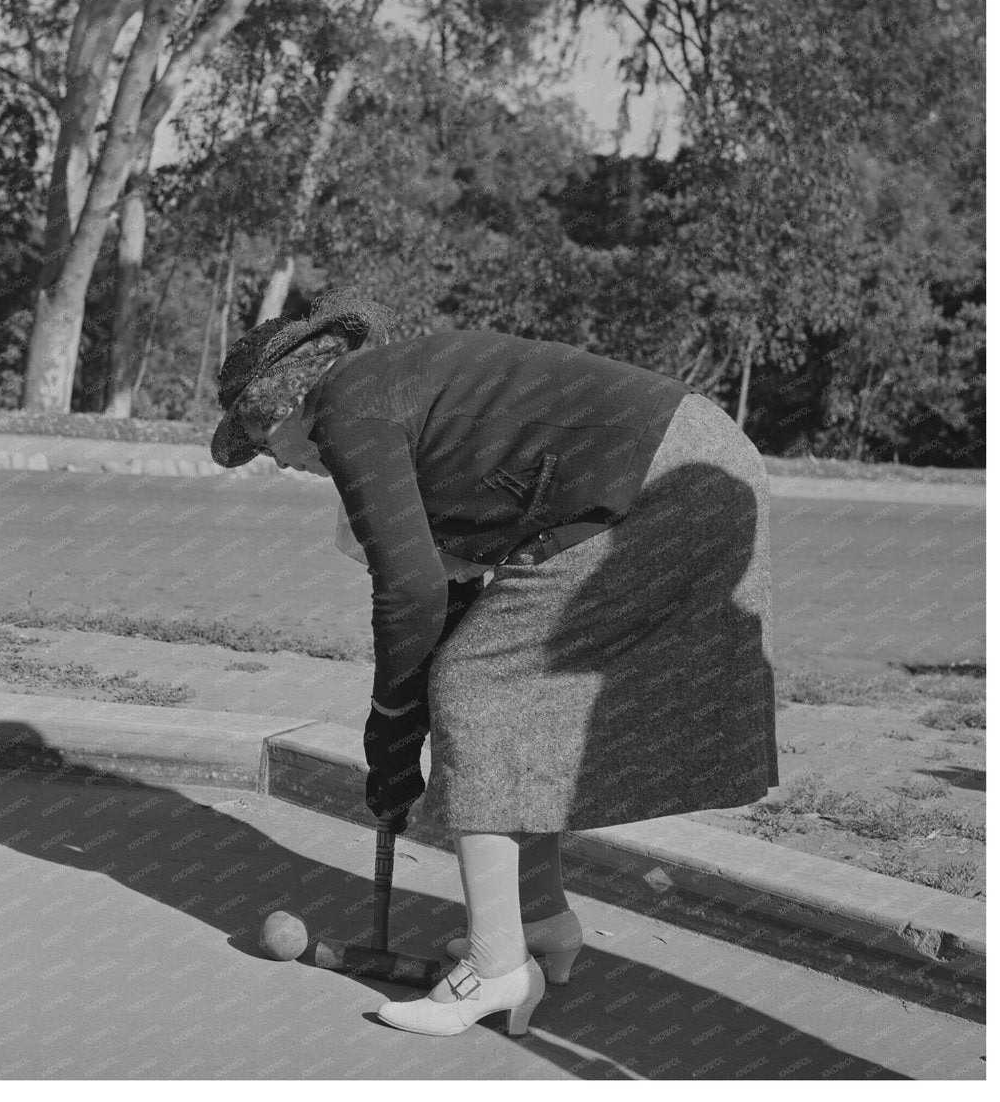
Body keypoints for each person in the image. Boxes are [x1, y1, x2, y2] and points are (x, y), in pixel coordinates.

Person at [211, 290, 778, 1037]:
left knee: (474, 691)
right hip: (694, 458)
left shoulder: (348, 410)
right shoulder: (387, 393)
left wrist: (389, 730)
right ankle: (540, 922)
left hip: (664, 480)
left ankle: (496, 964)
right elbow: (447, 592)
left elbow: (409, 589)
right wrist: (395, 745)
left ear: (280, 408)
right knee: (505, 691)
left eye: (264, 446)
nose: (282, 463)